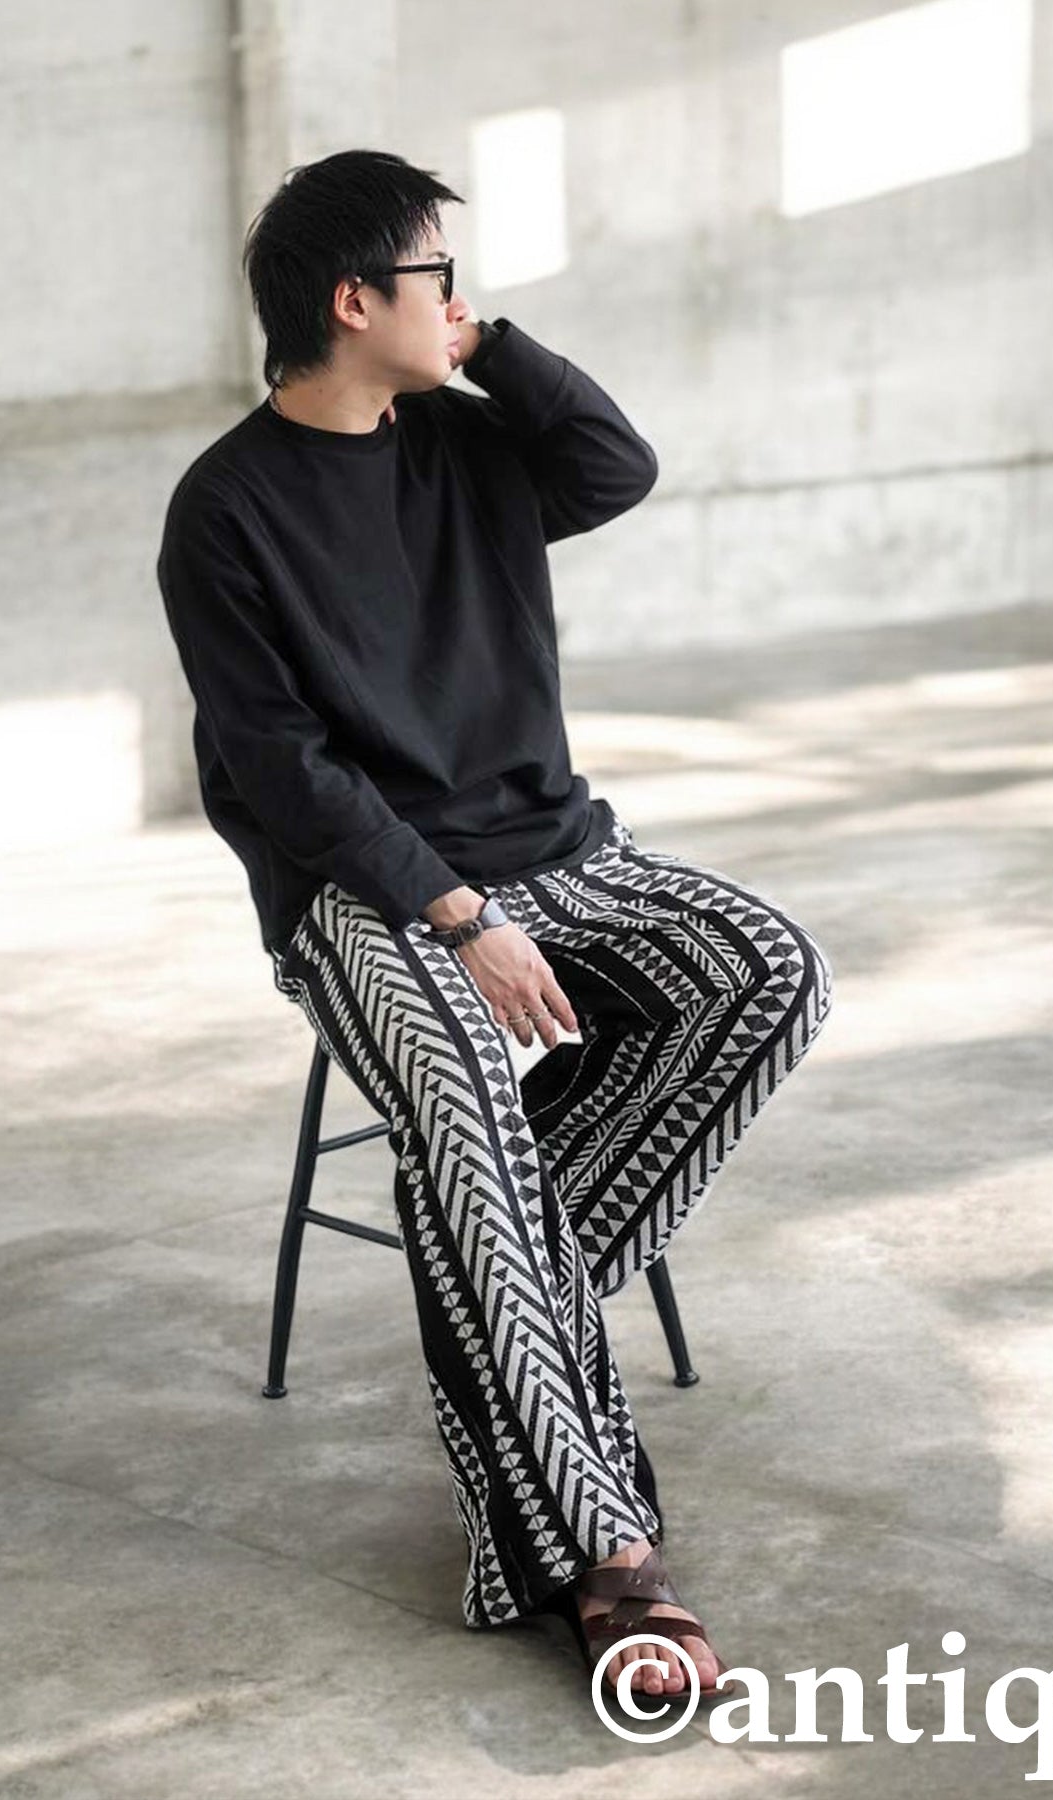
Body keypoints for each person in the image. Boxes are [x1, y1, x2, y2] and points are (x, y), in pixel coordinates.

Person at [155, 147, 833, 1707]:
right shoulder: (226, 511)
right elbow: (283, 771)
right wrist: (455, 914)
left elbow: (615, 468)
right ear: (354, 301)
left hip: (557, 849)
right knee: (463, 1097)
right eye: (438, 279)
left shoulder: (471, 446)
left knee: (766, 969)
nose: (459, 302)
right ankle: (609, 1558)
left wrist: (497, 347)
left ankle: (499, 1295)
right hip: (366, 891)